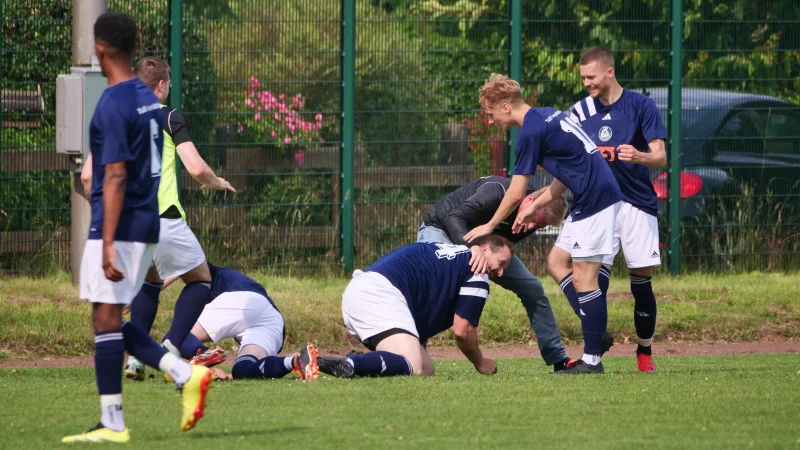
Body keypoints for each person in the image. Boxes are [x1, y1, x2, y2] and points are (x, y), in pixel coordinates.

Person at [63, 13, 212, 444]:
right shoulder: (150, 103)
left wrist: (105, 240)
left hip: (123, 223)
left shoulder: (115, 101)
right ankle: (181, 376)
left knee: (106, 316)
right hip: (147, 219)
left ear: (101, 49)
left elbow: (111, 176)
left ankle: (118, 419)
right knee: (105, 317)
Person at [81, 56, 236, 381]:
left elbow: (87, 176)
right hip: (161, 218)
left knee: (150, 281)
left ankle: (136, 360)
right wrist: (218, 182)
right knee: (201, 279)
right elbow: (195, 168)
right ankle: (170, 350)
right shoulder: (168, 118)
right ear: (162, 86)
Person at [464, 74, 623, 375]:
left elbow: (514, 190)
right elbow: (567, 170)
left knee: (585, 277)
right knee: (556, 261)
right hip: (590, 196)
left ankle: (591, 361)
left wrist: (490, 225)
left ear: (506, 106)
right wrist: (535, 204)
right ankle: (596, 331)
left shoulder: (528, 133)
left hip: (596, 198)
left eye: (490, 112)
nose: (489, 120)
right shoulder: (547, 115)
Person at [558, 47, 667, 372]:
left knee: (640, 284)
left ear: (609, 72)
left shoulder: (641, 105)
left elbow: (660, 156)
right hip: (598, 206)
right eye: (582, 78)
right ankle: (595, 350)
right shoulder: (580, 111)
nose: (586, 84)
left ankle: (644, 350)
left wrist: (640, 156)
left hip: (637, 205)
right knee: (592, 280)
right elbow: (566, 156)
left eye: (590, 77)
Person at [418, 177, 575, 371]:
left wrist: (491, 261)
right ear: (528, 202)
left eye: (539, 226)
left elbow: (502, 244)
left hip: (483, 244)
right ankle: (414, 355)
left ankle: (558, 359)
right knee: (430, 287)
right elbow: (453, 217)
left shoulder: (528, 217)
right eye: (535, 220)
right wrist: (472, 248)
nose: (533, 227)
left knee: (532, 288)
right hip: (442, 229)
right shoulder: (495, 193)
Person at [317, 237, 512, 378]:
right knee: (415, 364)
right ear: (484, 249)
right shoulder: (477, 270)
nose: (501, 272)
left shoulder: (450, 253)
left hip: (360, 292)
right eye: (501, 262)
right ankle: (349, 363)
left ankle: (360, 364)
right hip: (380, 295)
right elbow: (463, 330)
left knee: (425, 368)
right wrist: (481, 362)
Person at [173, 262, 319, 381]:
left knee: (179, 338)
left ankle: (204, 356)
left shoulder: (206, 275)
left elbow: (180, 263)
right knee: (242, 370)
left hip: (243, 301)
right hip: (271, 318)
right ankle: (295, 360)